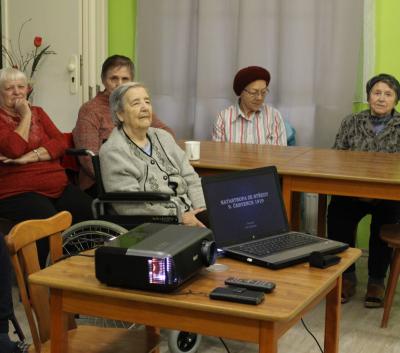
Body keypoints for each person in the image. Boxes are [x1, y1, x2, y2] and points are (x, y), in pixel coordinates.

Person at [0, 68, 93, 268]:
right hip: (17, 191)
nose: (17, 92)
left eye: (21, 87)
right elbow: (14, 148)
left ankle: (77, 268)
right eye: (9, 88)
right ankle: (43, 278)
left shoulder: (39, 112)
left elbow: (61, 142)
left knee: (87, 209)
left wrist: (30, 157)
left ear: (27, 90)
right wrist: (25, 116)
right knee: (47, 221)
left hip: (56, 185)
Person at [327, 73, 400, 308]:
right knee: (337, 215)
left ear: (395, 100)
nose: (381, 99)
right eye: (376, 93)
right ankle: (346, 277)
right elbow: (336, 155)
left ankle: (377, 281)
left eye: (388, 94)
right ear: (368, 96)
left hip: (387, 194)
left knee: (385, 223)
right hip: (351, 190)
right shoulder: (352, 122)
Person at [99, 82, 207, 228]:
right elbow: (129, 206)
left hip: (191, 214)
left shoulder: (163, 137)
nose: (144, 107)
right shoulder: (114, 151)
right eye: (136, 103)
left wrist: (202, 210)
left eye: (147, 101)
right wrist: (180, 218)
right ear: (120, 114)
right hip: (157, 224)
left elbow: (191, 178)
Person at [73, 55, 174, 197]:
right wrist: (124, 176)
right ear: (103, 80)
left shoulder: (137, 105)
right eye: (113, 78)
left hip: (143, 175)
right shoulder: (90, 110)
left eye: (125, 79)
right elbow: (89, 160)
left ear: (131, 81)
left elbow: (165, 132)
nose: (119, 84)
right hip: (103, 183)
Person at [212, 66, 287, 145]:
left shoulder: (274, 116)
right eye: (254, 92)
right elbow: (218, 154)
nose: (259, 97)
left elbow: (279, 154)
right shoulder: (223, 118)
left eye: (263, 92)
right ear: (241, 92)